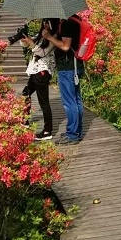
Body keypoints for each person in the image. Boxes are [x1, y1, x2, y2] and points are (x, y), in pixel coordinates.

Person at [41, 17, 84, 145]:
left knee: (69, 102)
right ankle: (76, 132)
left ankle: (72, 135)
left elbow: (65, 47)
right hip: (76, 66)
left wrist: (49, 36)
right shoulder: (76, 19)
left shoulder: (67, 23)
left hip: (67, 68)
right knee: (76, 100)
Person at [19, 21, 56, 140]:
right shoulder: (40, 36)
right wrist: (23, 38)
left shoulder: (53, 38)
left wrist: (32, 43)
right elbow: (25, 45)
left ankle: (47, 131)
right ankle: (25, 120)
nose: (45, 25)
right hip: (35, 72)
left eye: (48, 23)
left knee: (44, 103)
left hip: (42, 72)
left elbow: (42, 52)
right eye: (44, 22)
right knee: (26, 93)